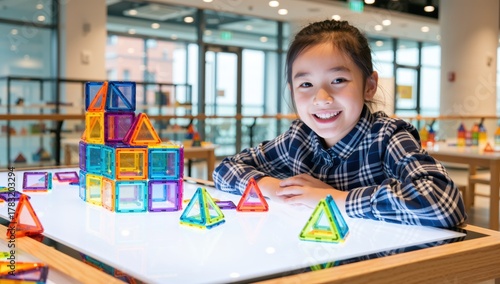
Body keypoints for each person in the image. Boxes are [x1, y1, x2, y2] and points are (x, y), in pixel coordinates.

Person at [212, 19, 466, 228]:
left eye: (338, 80)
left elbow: (443, 203)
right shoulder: (298, 138)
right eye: (306, 85)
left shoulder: (387, 136)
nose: (321, 98)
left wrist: (332, 198)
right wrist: (279, 188)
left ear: (369, 86)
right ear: (292, 91)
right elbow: (225, 170)